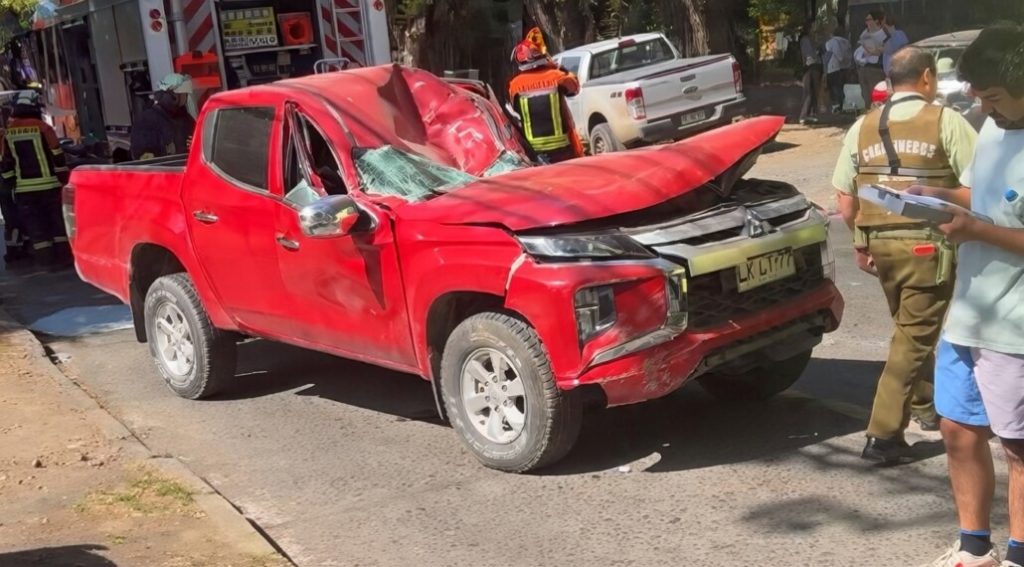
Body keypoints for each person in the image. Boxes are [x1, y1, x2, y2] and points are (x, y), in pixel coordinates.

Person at [831, 46, 978, 465]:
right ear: (928, 78)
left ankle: (926, 406)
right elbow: (978, 184)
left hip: (881, 246)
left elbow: (845, 198)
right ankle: (882, 435)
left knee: (910, 329)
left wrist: (860, 241)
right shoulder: (946, 121)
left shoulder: (861, 126)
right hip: (927, 247)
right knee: (913, 337)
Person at [913, 24, 1024, 567]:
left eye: (995, 99)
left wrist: (976, 231)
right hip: (969, 311)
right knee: (956, 428)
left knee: (1019, 446)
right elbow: (981, 198)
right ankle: (973, 545)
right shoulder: (994, 129)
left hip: (1015, 323)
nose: (986, 109)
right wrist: (935, 195)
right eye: (981, 100)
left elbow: (992, 223)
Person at [0, 90, 70, 268]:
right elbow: (57, 155)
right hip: (50, 187)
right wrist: (64, 179)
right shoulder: (44, 127)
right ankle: (63, 259)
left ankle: (45, 261)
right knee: (57, 224)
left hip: (25, 190)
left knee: (36, 228)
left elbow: (6, 163)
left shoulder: (9, 132)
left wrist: (9, 184)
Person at [507, 27, 583, 164]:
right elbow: (575, 87)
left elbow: (515, 110)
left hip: (535, 153)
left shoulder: (514, 85)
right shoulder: (557, 76)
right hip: (563, 150)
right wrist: (557, 67)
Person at [129, 73, 196, 161]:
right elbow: (146, 160)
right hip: (167, 172)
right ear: (174, 96)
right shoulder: (147, 120)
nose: (186, 98)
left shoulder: (186, 119)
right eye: (184, 94)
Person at [858, 9, 889, 112]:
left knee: (875, 96)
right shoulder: (864, 33)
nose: (867, 22)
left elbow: (882, 50)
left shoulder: (883, 33)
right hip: (864, 66)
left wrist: (871, 51)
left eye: (869, 19)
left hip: (876, 68)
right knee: (866, 95)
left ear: (876, 20)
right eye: (866, 20)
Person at [825, 25, 854, 113]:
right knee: (843, 86)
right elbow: (849, 55)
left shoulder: (831, 42)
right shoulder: (847, 42)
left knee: (834, 87)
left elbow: (833, 55)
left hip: (833, 67)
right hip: (845, 67)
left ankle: (836, 106)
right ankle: (844, 105)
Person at [798, 22, 823, 124]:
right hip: (812, 67)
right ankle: (804, 115)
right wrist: (816, 53)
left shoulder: (811, 39)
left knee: (812, 91)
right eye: (813, 26)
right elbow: (809, 55)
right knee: (810, 90)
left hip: (813, 66)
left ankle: (810, 114)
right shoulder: (806, 39)